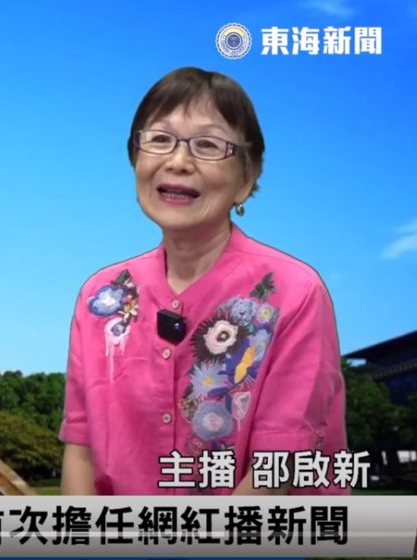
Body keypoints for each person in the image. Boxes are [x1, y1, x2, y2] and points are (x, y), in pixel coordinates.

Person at [58, 67, 347, 495]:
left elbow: (278, 468)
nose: (178, 161)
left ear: (246, 178)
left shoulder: (295, 292)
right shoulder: (102, 297)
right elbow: (81, 450)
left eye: (208, 145)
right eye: (159, 139)